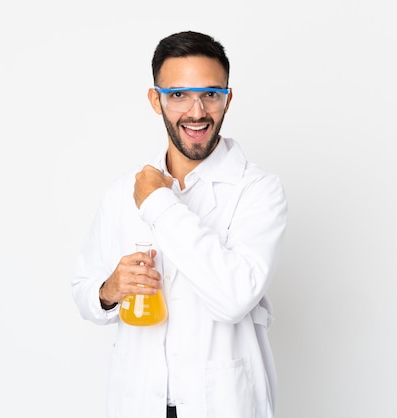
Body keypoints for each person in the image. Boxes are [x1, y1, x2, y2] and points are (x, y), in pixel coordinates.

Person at [72, 30, 287, 418]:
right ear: (155, 100)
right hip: (139, 400)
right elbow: (84, 290)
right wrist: (109, 290)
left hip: (221, 403)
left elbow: (234, 297)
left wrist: (157, 202)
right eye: (178, 95)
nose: (197, 112)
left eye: (210, 94)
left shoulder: (257, 190)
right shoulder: (123, 192)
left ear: (227, 98)